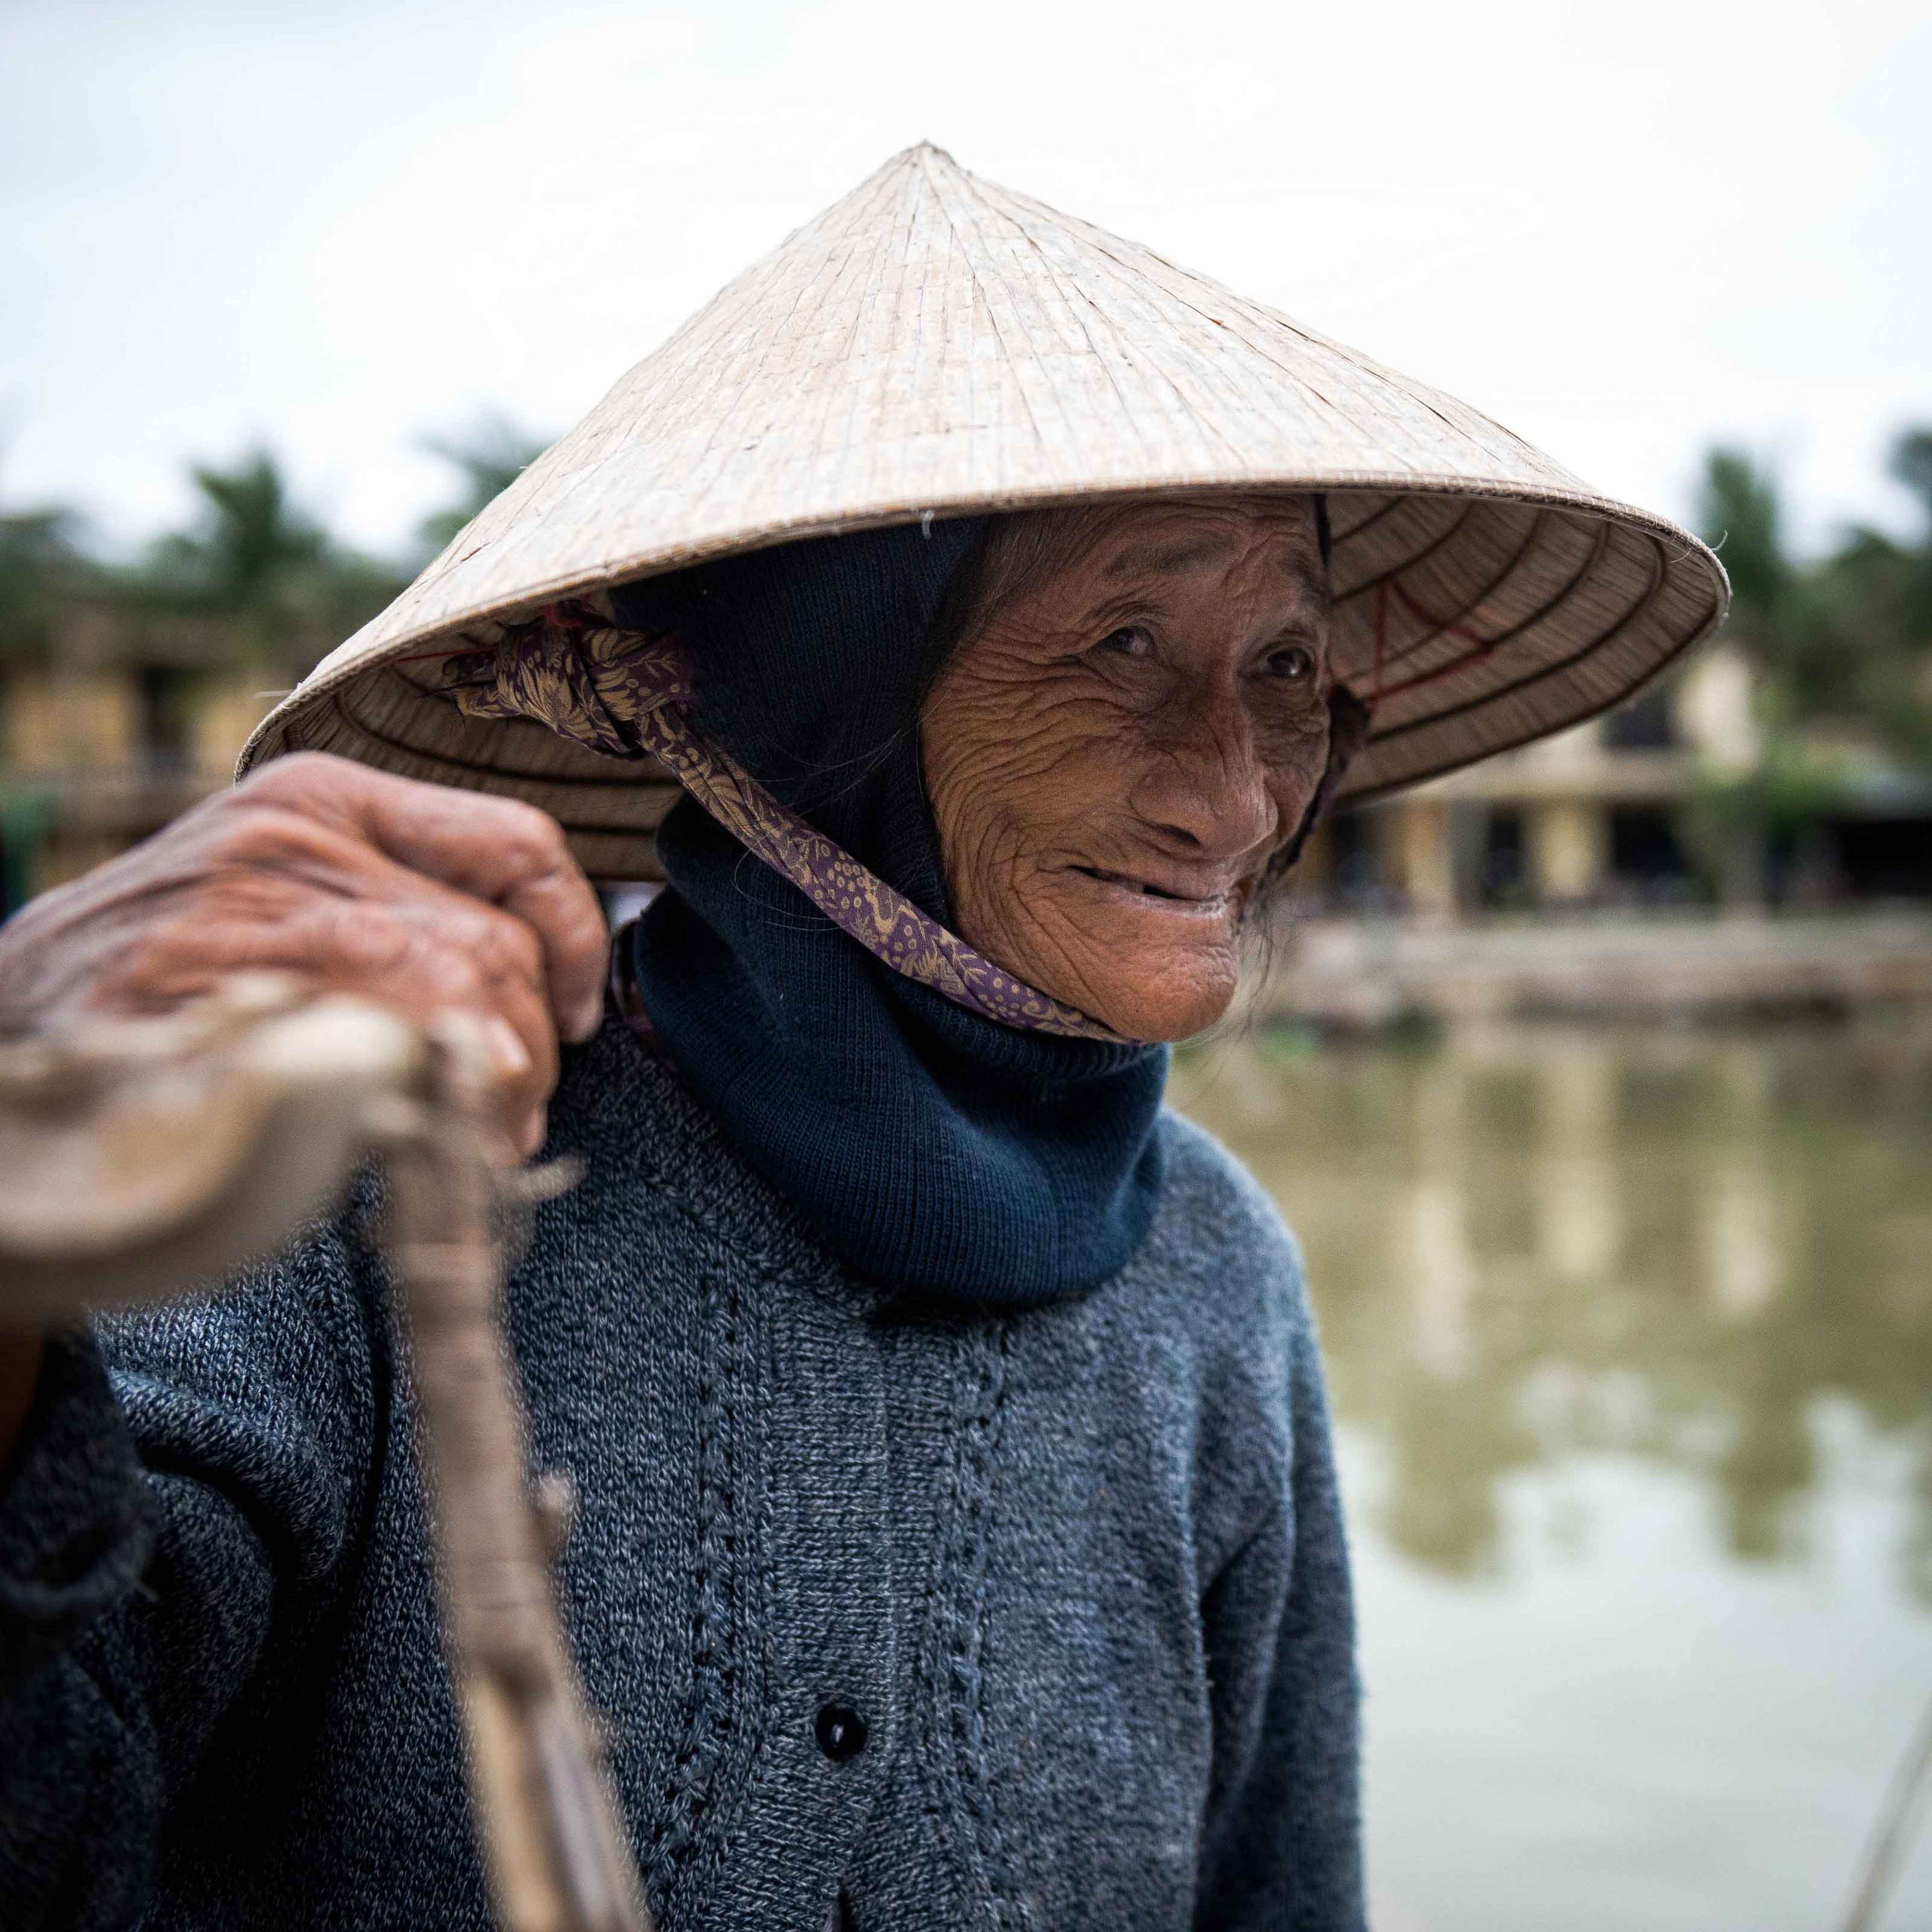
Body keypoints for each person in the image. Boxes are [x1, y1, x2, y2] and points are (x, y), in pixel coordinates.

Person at [0, 146, 1726, 1930]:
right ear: (822, 710)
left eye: (1283, 666)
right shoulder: (378, 1185)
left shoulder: (1212, 1269)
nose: (1232, 796)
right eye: (1121, 638)